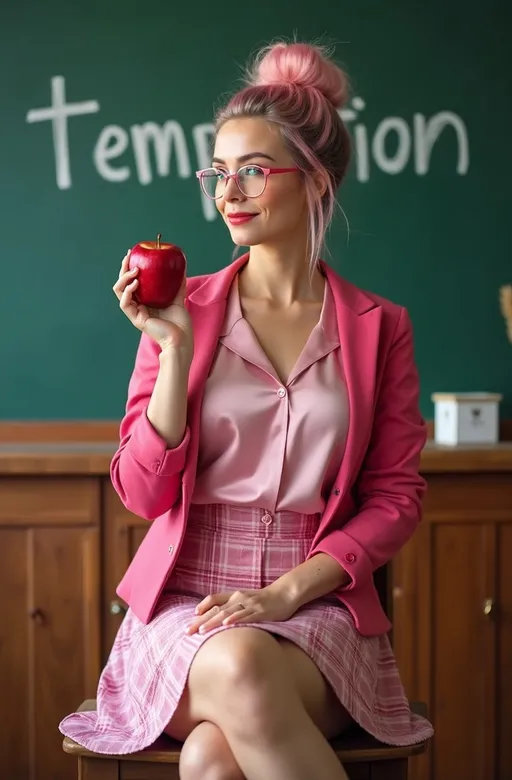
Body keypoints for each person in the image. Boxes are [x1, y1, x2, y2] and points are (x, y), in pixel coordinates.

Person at [60, 39, 433, 780]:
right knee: (235, 665)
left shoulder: (379, 327)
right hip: (184, 612)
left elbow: (396, 498)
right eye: (219, 172)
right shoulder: (182, 310)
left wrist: (286, 594)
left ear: (316, 181)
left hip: (315, 611)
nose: (229, 191)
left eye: (255, 171)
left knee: (213, 760)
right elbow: (140, 494)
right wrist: (171, 352)